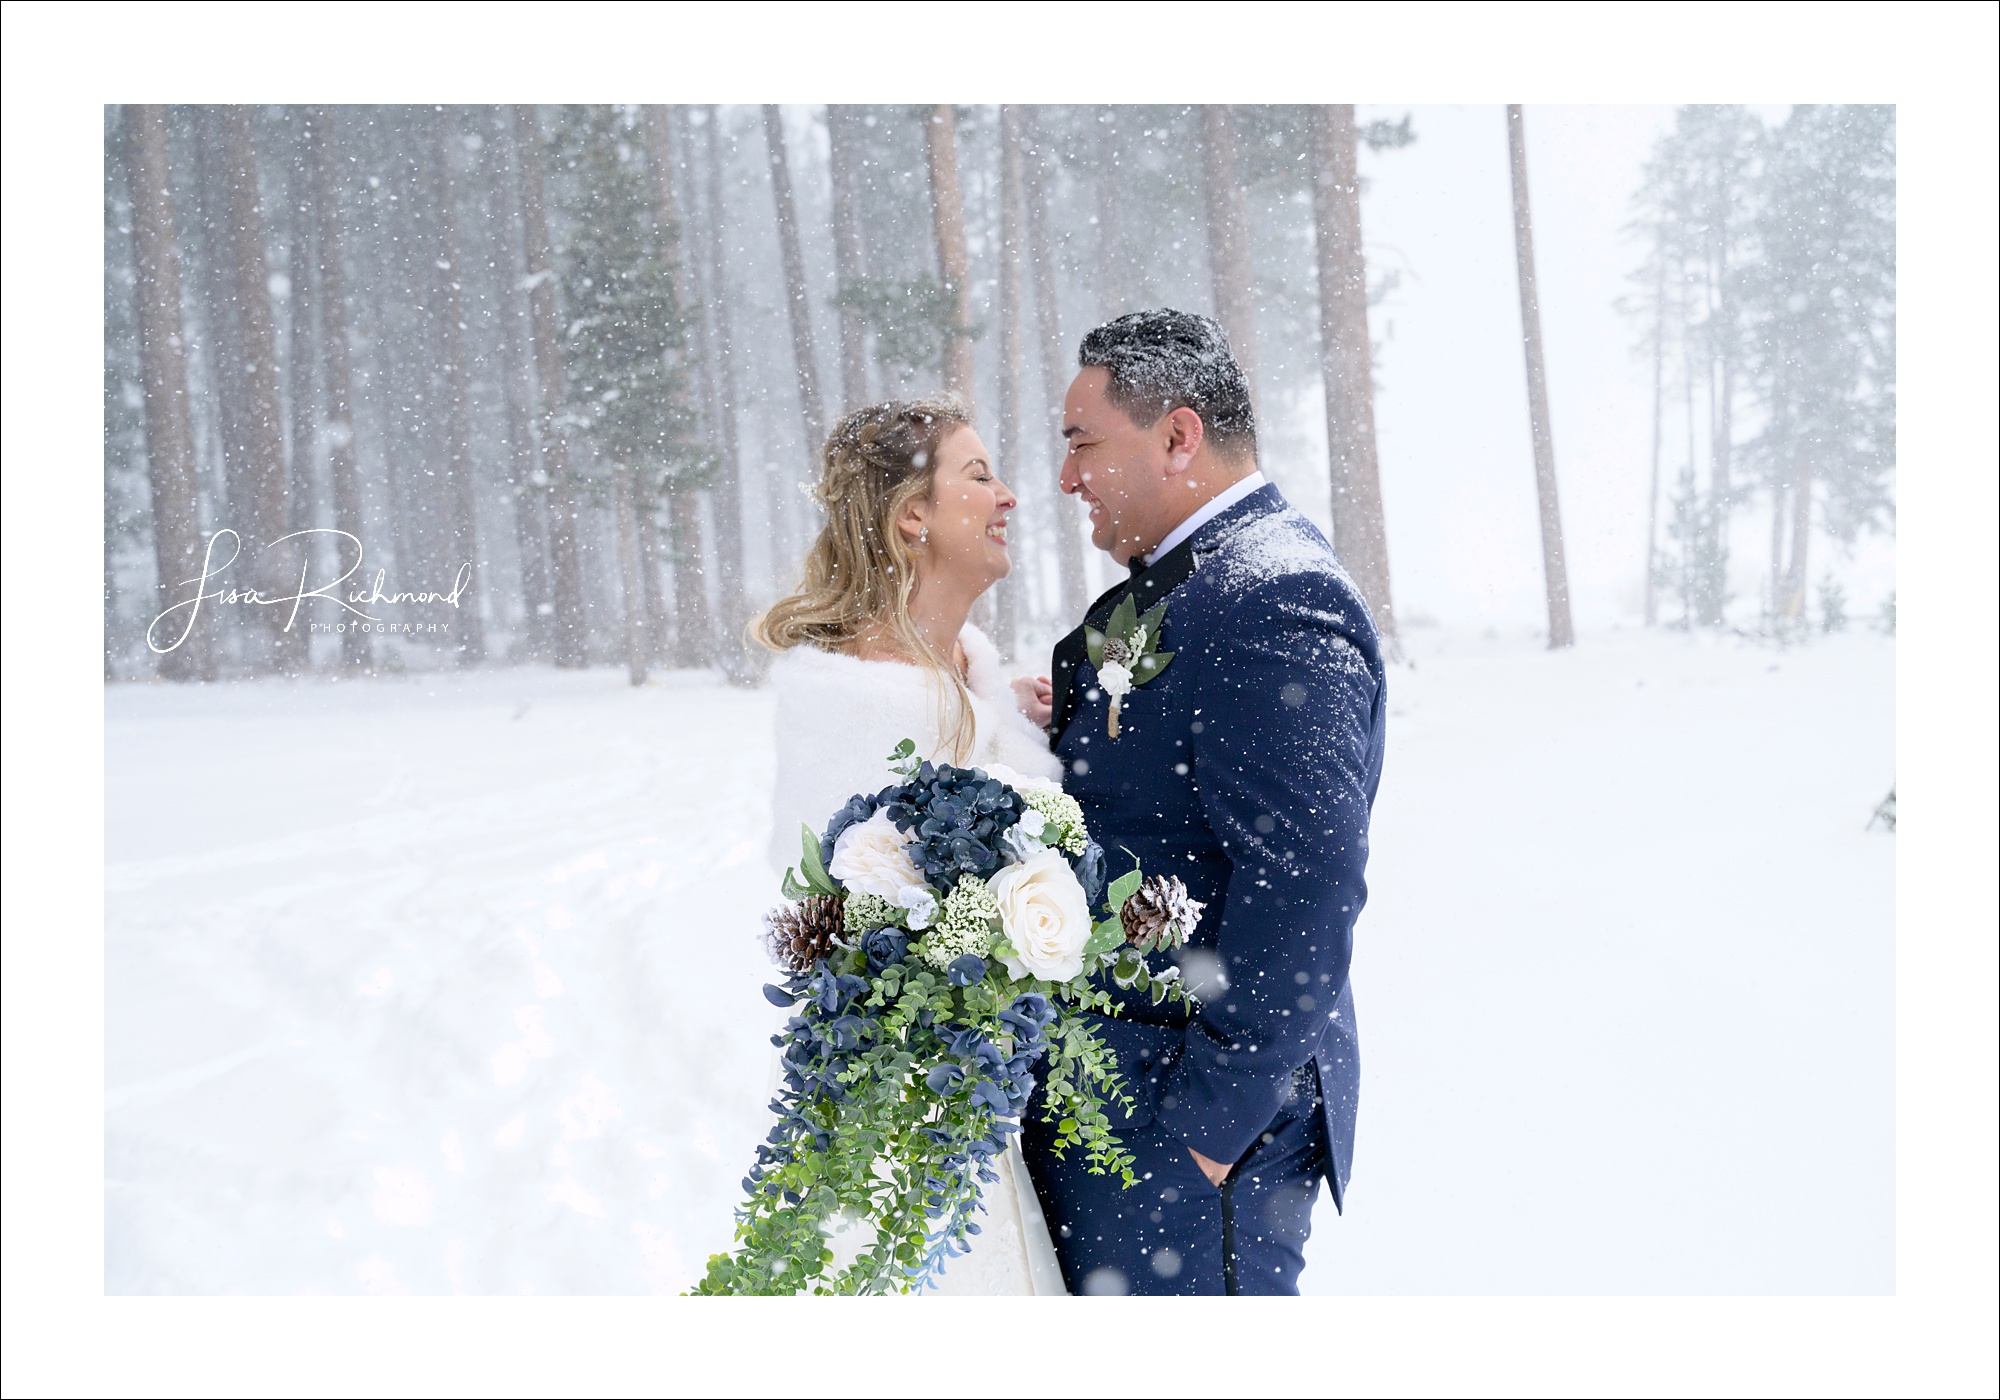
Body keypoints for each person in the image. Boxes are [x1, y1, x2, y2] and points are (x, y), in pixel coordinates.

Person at [1016, 309, 1388, 1296]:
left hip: (1186, 1124)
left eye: (1080, 442)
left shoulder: (1272, 595)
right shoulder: (1196, 580)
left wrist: (1208, 1127)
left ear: (1177, 435)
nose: (1065, 478)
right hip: (1128, 1097)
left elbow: (1306, 880)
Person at [753, 394, 1067, 1295]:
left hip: (986, 1104)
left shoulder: (963, 667)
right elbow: (835, 927)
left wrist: (1010, 716)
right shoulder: (858, 708)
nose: (1008, 495)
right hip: (904, 1126)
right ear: (912, 517)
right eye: (979, 475)